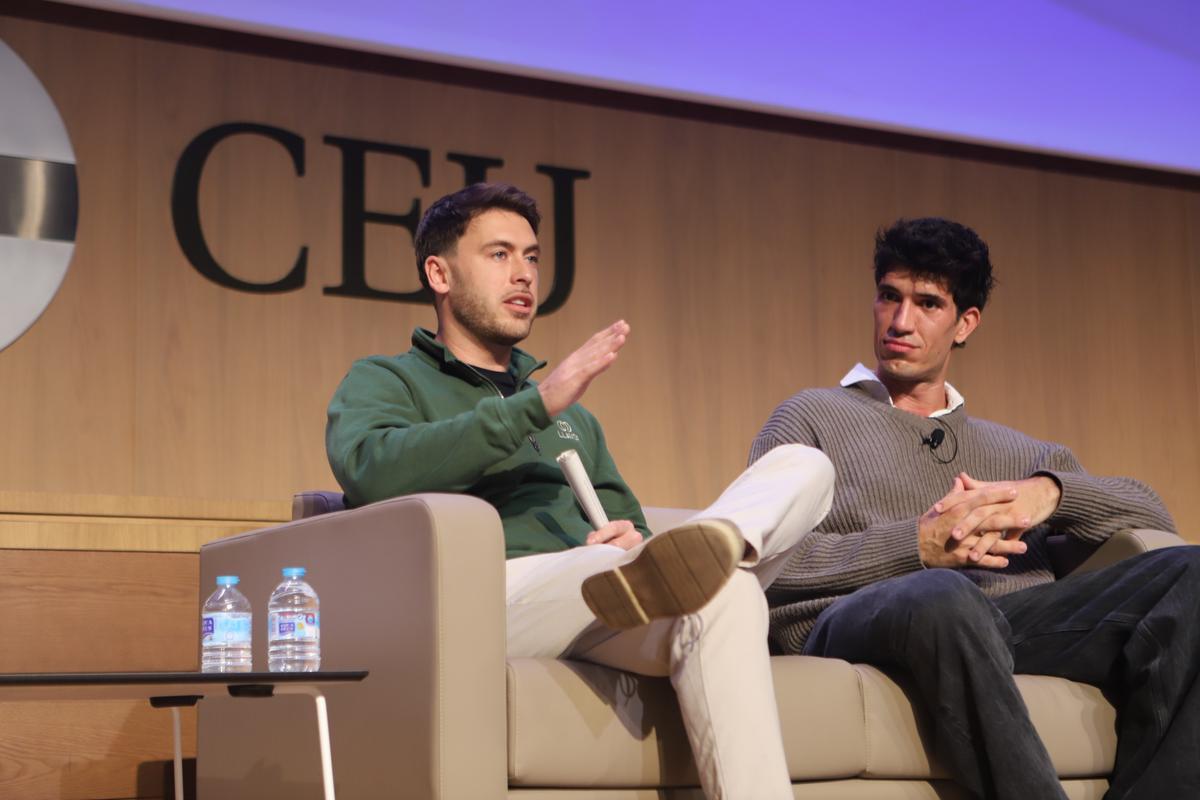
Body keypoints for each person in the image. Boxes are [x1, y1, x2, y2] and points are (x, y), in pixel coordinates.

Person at [326, 182, 835, 799]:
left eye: (532, 257)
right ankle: (689, 559)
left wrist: (635, 539)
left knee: (795, 481)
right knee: (693, 582)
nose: (524, 275)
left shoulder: (576, 419)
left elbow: (628, 522)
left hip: (598, 594)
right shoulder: (388, 380)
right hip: (481, 601)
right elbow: (373, 470)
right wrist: (533, 407)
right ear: (439, 272)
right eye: (499, 255)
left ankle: (721, 543)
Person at [751, 216, 1198, 800]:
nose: (900, 321)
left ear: (965, 323)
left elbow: (1151, 515)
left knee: (1191, 572)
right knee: (942, 592)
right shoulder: (808, 417)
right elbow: (765, 562)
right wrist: (917, 548)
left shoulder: (1022, 451)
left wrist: (1051, 494)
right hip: (858, 619)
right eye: (890, 296)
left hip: (1009, 626)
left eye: (927, 303)